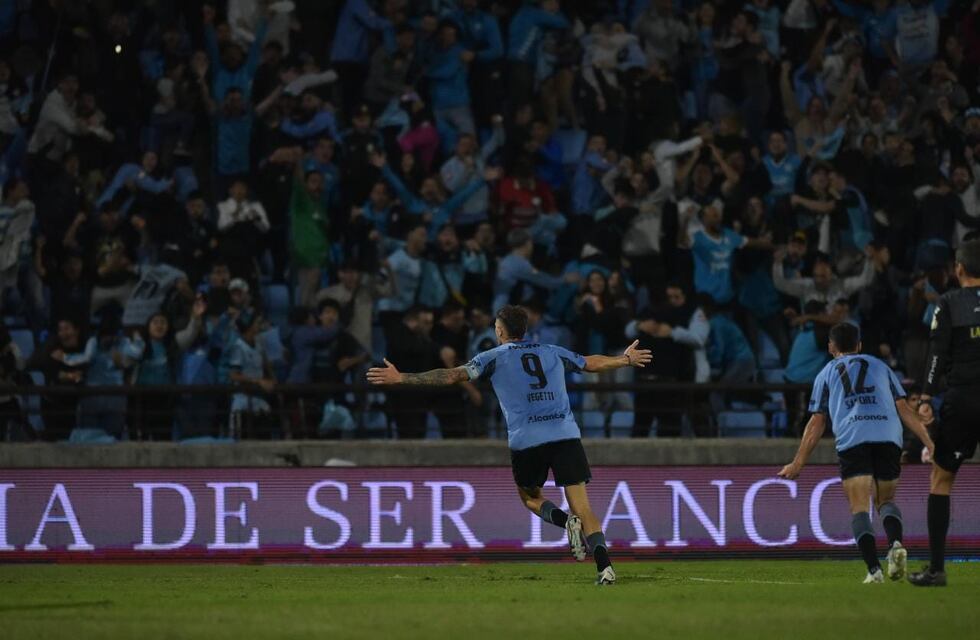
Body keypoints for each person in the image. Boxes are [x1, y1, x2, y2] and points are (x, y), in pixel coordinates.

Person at [367, 304, 652, 585]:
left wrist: (402, 377)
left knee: (529, 497)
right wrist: (623, 360)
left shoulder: (492, 356)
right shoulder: (552, 351)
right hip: (565, 435)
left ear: (500, 330)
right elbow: (590, 363)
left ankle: (566, 523)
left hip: (527, 440)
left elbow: (452, 375)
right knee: (583, 506)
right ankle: (605, 568)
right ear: (524, 330)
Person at [778, 322, 934, 584]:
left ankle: (874, 571)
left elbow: (817, 421)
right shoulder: (881, 366)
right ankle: (895, 544)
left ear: (831, 347)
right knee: (885, 501)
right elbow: (905, 409)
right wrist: (930, 444)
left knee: (860, 508)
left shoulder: (826, 373)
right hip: (888, 438)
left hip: (854, 438)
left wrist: (798, 462)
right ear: (859, 345)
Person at [909, 238, 980, 587]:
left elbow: (937, 353)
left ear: (959, 269)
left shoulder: (948, 303)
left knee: (941, 478)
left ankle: (937, 569)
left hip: (964, 399)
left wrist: (925, 397)